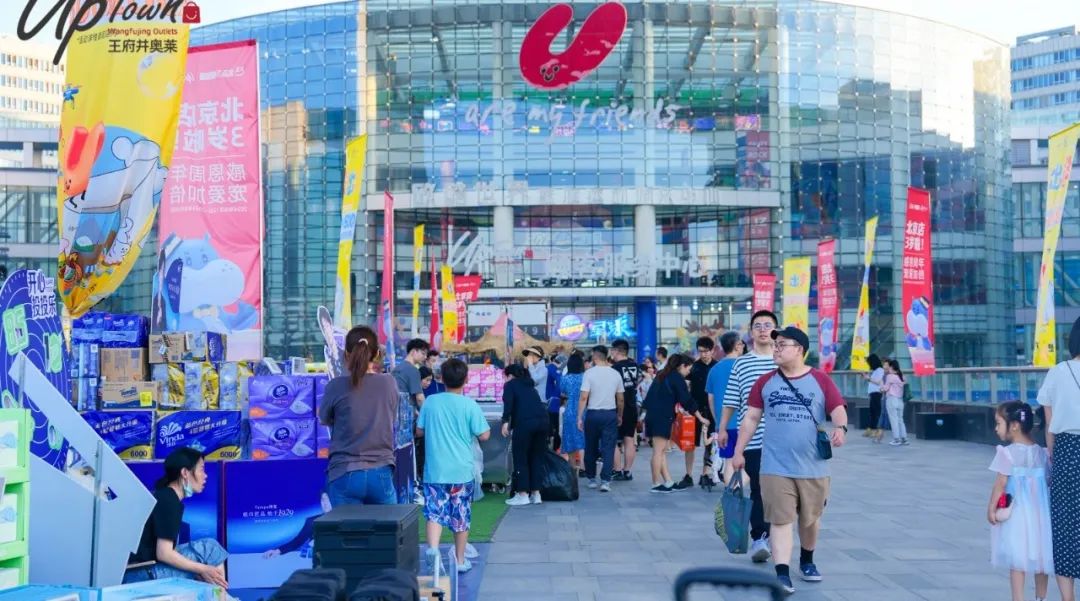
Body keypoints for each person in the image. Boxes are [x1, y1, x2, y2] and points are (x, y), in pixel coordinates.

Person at [731, 326, 848, 595]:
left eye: (782, 345)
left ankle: (807, 560)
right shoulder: (765, 382)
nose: (776, 349)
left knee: (810, 521)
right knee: (780, 520)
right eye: (776, 345)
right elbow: (750, 418)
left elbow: (837, 409)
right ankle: (782, 573)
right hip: (774, 466)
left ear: (800, 350)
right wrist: (738, 451)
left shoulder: (820, 380)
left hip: (813, 466)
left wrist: (840, 428)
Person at [417, 358, 491, 574]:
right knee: (461, 515)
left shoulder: (431, 402)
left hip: (435, 471)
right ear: (466, 379)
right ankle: (459, 560)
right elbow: (484, 435)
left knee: (434, 513)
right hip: (461, 471)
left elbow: (419, 431)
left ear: (441, 378)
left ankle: (433, 550)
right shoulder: (469, 405)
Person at [720, 309, 780, 563]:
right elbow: (731, 399)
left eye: (768, 325)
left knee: (781, 491)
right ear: (751, 333)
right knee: (758, 488)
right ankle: (760, 538)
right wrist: (722, 428)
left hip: (784, 439)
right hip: (753, 438)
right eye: (758, 326)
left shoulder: (783, 360)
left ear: (776, 330)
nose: (763, 329)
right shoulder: (741, 363)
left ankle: (776, 534)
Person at [124, 448, 229, 586]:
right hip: (141, 575)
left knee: (202, 559)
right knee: (211, 549)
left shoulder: (165, 496)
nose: (205, 476)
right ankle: (221, 594)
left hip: (140, 571)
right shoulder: (169, 500)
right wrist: (203, 569)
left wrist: (200, 569)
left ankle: (216, 593)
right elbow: (164, 553)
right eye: (201, 469)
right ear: (185, 473)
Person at [320, 326, 399, 506]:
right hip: (381, 470)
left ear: (346, 354)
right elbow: (392, 417)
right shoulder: (389, 382)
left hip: (344, 471)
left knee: (345, 526)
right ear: (377, 353)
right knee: (388, 525)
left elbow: (324, 418)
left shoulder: (335, 385)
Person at [987, 401, 1053, 601]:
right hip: (1040, 514)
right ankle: (1041, 598)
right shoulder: (1042, 453)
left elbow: (1000, 483)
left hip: (1017, 514)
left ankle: (1018, 598)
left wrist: (991, 508)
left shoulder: (1007, 453)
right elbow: (1047, 481)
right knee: (1041, 558)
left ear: (1014, 425)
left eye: (999, 423)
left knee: (1018, 559)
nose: (996, 428)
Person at [1035, 316, 1080, 601]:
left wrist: (1053, 455)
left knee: (1064, 526)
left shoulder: (1058, 372)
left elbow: (1049, 423)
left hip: (1066, 451)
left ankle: (1067, 597)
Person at [642, 354, 695, 493]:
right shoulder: (676, 378)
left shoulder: (662, 374)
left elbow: (649, 398)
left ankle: (668, 481)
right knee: (658, 451)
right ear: (682, 366)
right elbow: (686, 399)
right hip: (662, 416)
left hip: (653, 415)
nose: (689, 372)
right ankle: (655, 483)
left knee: (661, 451)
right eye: (688, 369)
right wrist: (700, 416)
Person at [501, 363, 550, 506]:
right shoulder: (530, 385)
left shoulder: (510, 385)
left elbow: (508, 404)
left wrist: (505, 421)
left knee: (520, 457)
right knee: (537, 457)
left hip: (525, 424)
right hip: (543, 422)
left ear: (510, 376)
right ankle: (536, 494)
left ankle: (522, 494)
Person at [577, 345, 624, 492]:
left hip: (593, 414)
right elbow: (620, 399)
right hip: (610, 414)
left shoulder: (589, 373)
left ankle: (591, 478)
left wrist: (579, 417)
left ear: (595, 356)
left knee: (590, 446)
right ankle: (605, 481)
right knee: (608, 448)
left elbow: (583, 397)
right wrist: (620, 415)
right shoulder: (615, 374)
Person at [708, 331, 745, 485]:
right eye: (741, 343)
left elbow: (711, 399)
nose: (743, 346)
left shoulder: (714, 369)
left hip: (724, 426)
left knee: (729, 461)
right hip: (746, 424)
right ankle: (737, 489)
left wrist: (718, 421)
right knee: (748, 461)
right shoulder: (744, 366)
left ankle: (731, 492)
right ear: (737, 346)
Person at [395, 338, 430, 499]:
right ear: (413, 351)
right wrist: (428, 416)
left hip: (395, 420)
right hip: (407, 421)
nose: (424, 357)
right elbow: (419, 398)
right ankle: (414, 489)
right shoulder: (413, 371)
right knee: (411, 455)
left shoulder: (396, 369)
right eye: (423, 353)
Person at [681, 336, 716, 490]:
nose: (703, 354)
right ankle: (688, 475)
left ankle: (705, 474)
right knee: (690, 444)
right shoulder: (693, 367)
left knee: (711, 444)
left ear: (712, 351)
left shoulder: (717, 367)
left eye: (706, 351)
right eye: (700, 351)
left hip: (712, 411)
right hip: (694, 411)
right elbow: (683, 383)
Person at [610, 339, 642, 482]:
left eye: (612, 350)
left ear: (617, 351)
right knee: (629, 439)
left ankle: (617, 471)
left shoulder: (615, 368)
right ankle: (627, 471)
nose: (611, 353)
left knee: (613, 440)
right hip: (632, 406)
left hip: (618, 407)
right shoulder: (635, 365)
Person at [560, 353, 586, 474]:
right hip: (583, 409)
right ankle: (583, 466)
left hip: (570, 410)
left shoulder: (565, 378)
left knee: (569, 438)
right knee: (582, 438)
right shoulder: (585, 377)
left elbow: (562, 392)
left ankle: (571, 466)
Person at [881, 359, 910, 446]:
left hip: (891, 399)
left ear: (892, 367)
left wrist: (881, 386)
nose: (888, 368)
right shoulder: (902, 376)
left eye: (889, 366)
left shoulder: (890, 376)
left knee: (894, 420)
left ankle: (896, 439)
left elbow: (885, 388)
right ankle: (904, 439)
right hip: (900, 400)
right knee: (900, 420)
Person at [861, 354, 886, 440]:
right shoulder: (876, 371)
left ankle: (875, 430)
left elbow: (878, 382)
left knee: (875, 412)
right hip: (873, 393)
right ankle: (871, 429)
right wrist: (866, 377)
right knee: (872, 412)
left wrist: (868, 378)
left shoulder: (880, 370)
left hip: (877, 393)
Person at [546, 354, 563, 451]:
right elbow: (560, 382)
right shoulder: (552, 368)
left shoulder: (549, 368)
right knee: (555, 428)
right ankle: (554, 449)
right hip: (553, 404)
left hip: (551, 403)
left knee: (552, 429)